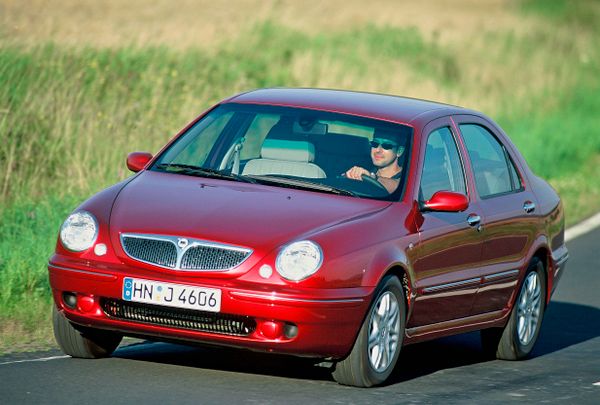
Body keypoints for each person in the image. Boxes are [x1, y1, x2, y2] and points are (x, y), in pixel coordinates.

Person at [345, 129, 405, 194]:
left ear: (399, 151)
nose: (378, 150)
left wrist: (371, 178)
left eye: (386, 146)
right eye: (375, 144)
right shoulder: (365, 171)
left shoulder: (408, 177)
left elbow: (398, 186)